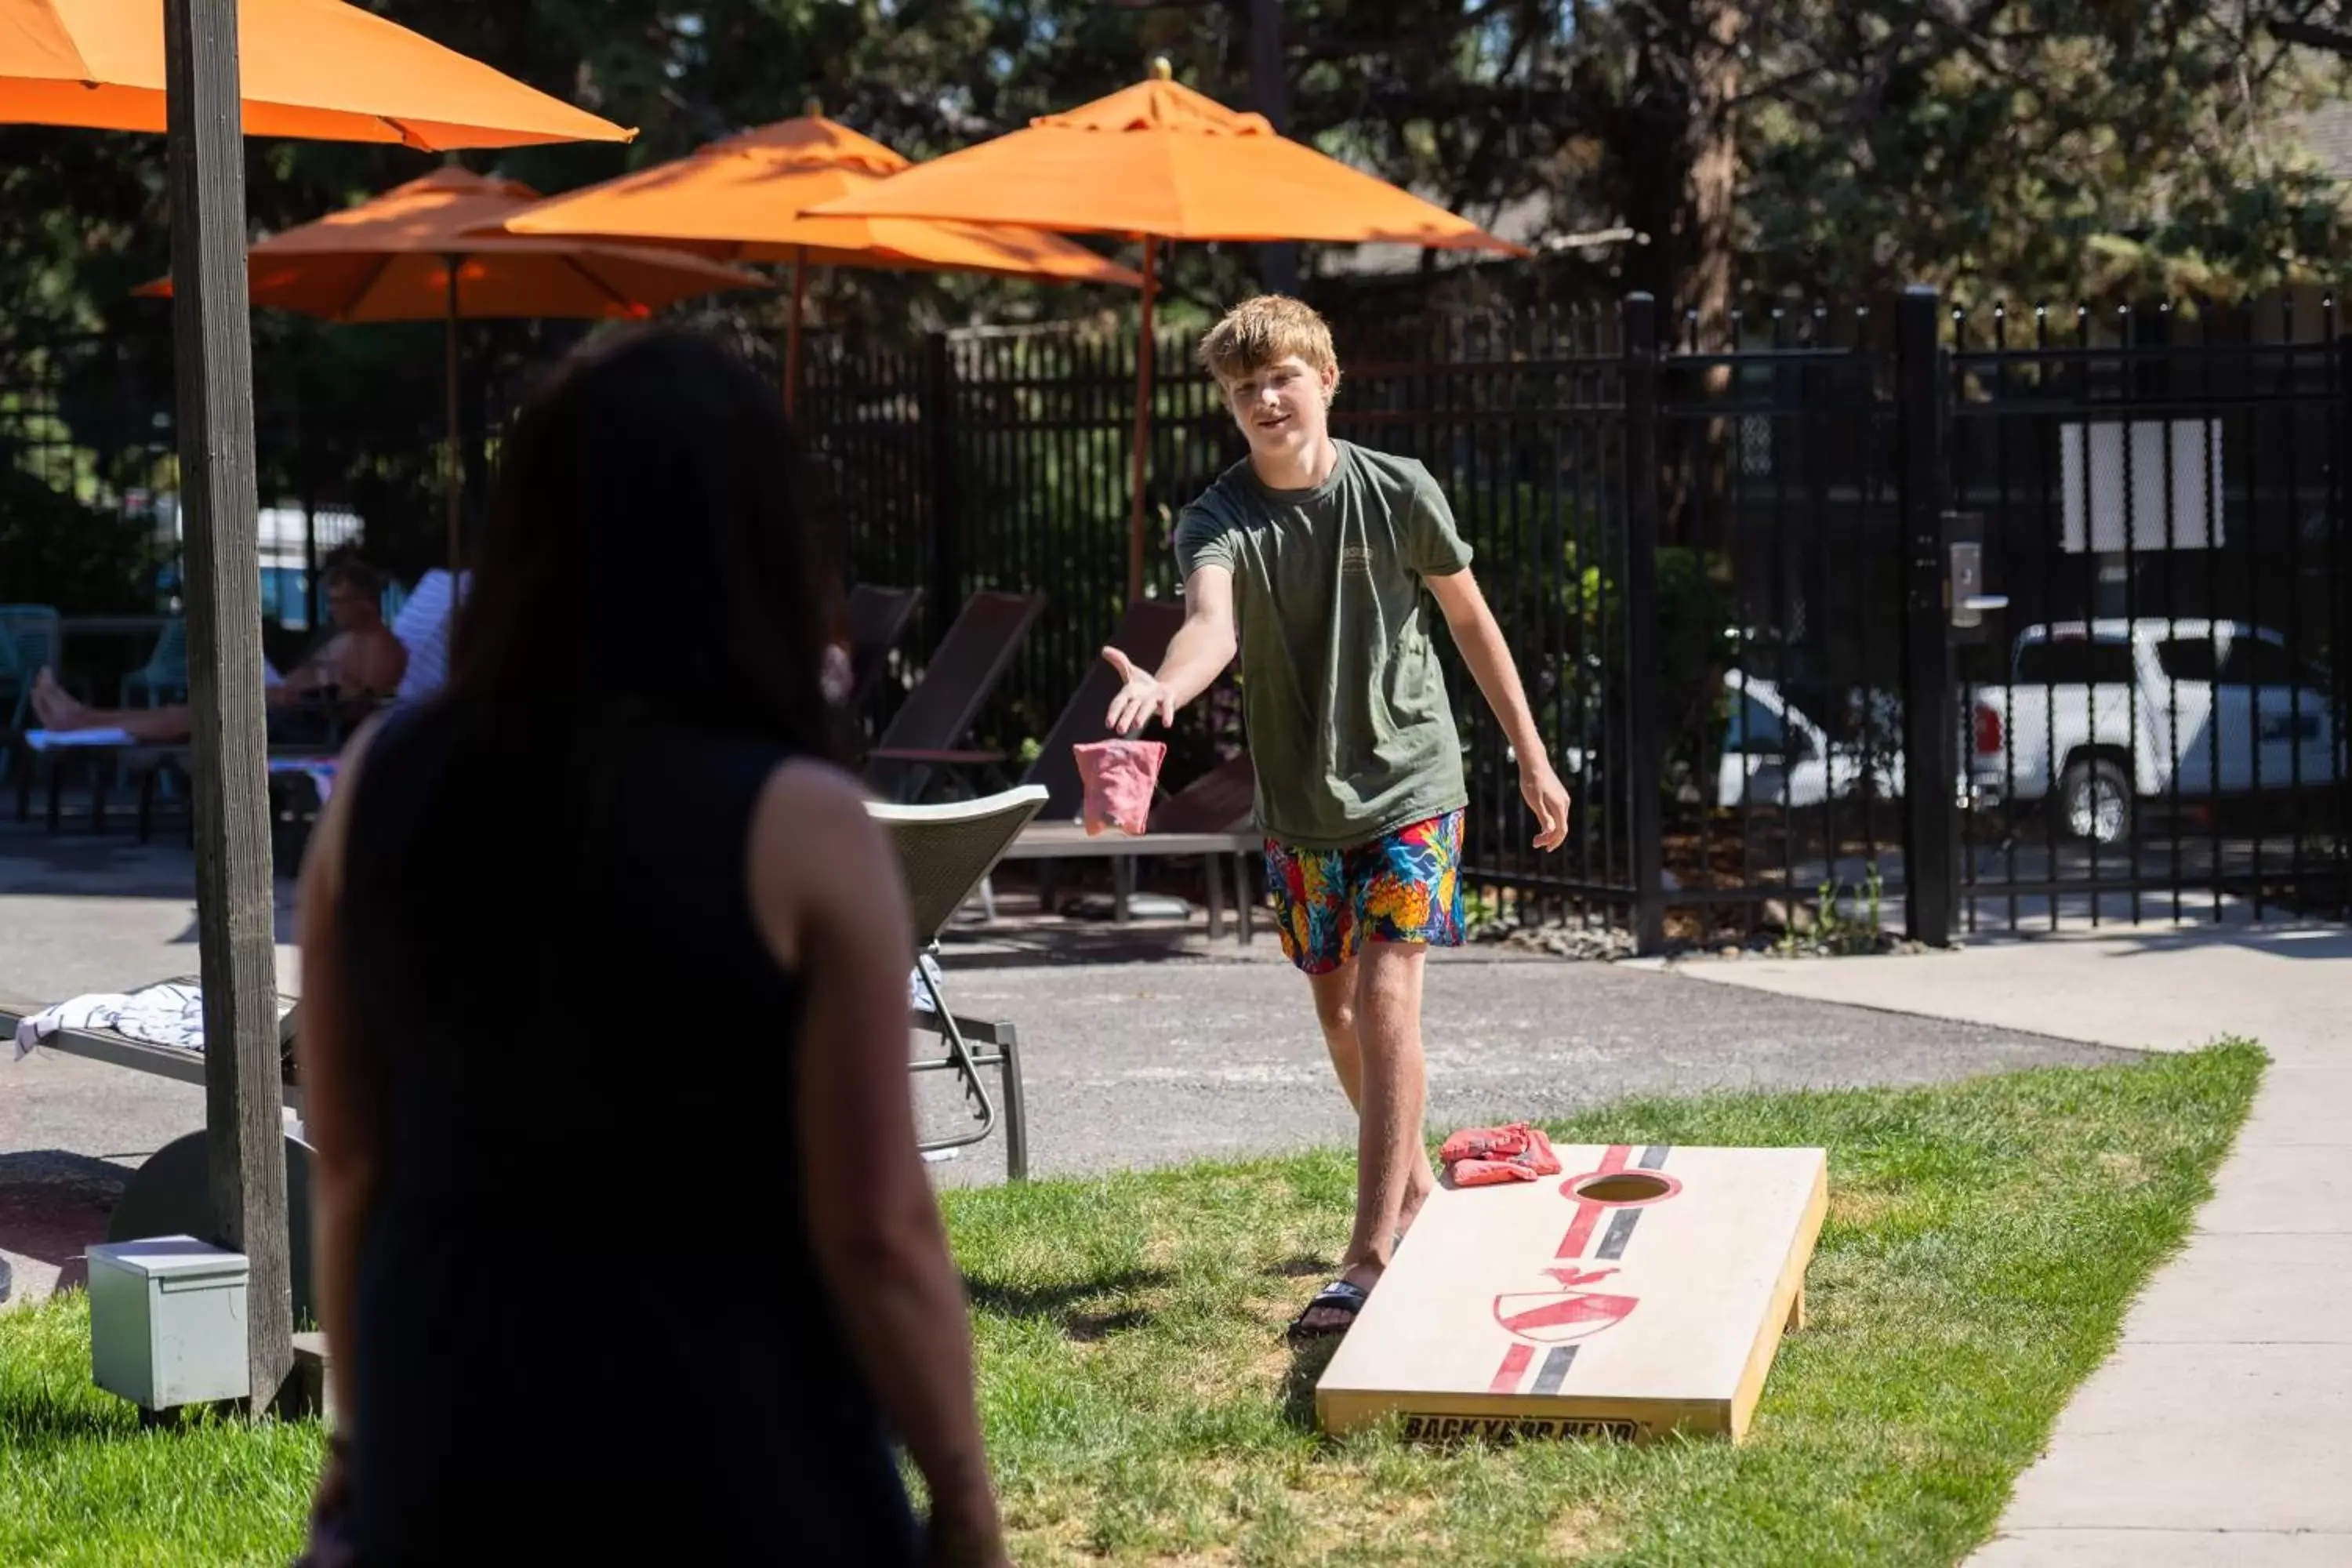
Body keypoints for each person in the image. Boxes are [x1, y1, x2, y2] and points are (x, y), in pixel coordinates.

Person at [290, 328, 1007, 1566]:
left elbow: (351, 1166)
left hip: (453, 1437)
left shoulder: (377, 784)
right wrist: (965, 1497)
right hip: (736, 1449)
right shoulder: (806, 827)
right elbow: (874, 1223)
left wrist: (359, 1448)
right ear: (763, 547)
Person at [1105, 295, 1571, 1343]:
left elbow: (1470, 620)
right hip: (1303, 801)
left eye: (1283, 377)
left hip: (1412, 777)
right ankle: (1412, 1190)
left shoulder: (1396, 491)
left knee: (1386, 992)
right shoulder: (1217, 518)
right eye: (1245, 387)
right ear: (1231, 405)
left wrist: (1532, 756)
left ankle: (1368, 1259)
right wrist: (1167, 691)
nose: (1267, 399)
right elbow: (1209, 625)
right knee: (1336, 1010)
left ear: (1325, 377)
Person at [29, 559, 408, 745]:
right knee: (183, 712)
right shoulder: (344, 637)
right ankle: (80, 719)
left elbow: (363, 712)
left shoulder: (384, 648)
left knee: (184, 718)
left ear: (368, 603)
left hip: (303, 727)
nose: (333, 610)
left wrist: (329, 681)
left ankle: (78, 721)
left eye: (340, 602)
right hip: (280, 707)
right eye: (330, 601)